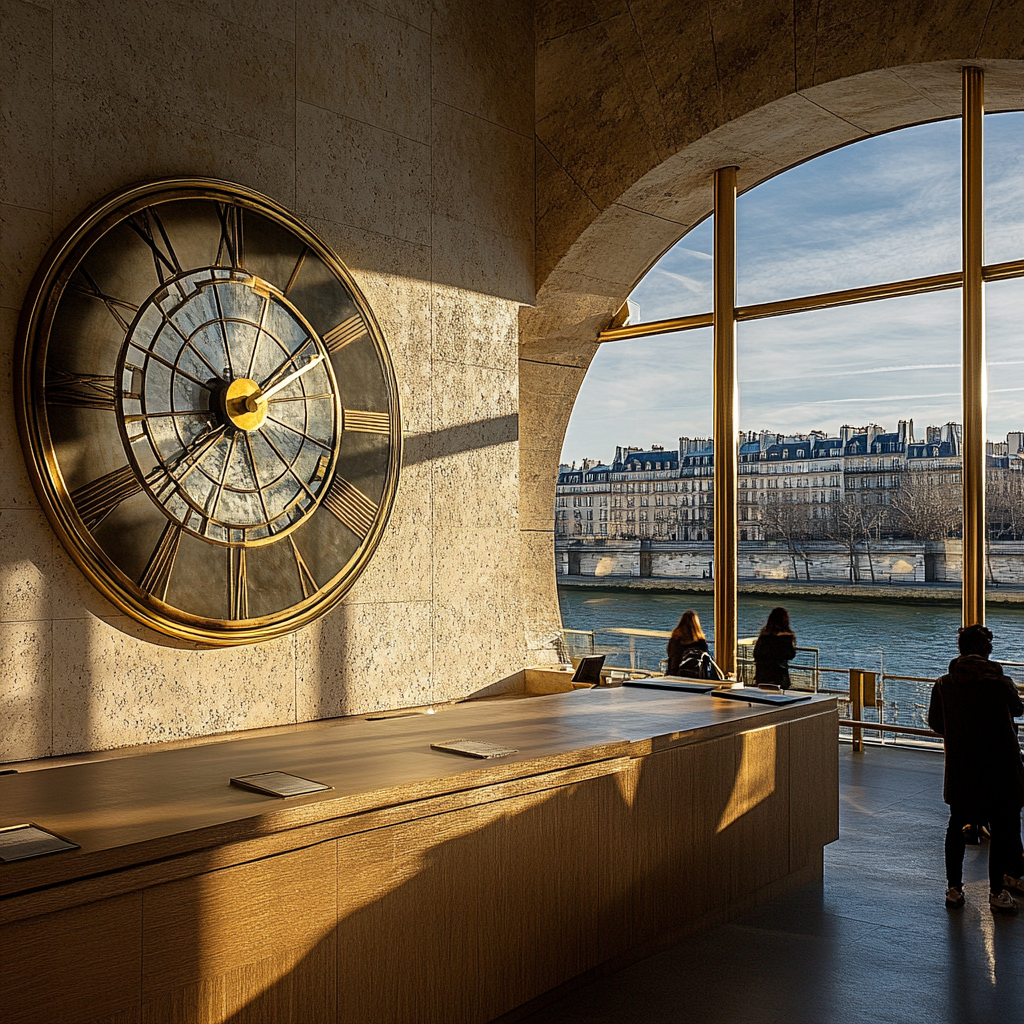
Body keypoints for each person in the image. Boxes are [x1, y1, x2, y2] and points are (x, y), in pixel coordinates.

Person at [927, 623, 1024, 912]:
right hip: (1000, 767)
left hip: (961, 767)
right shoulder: (999, 681)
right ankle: (997, 892)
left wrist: (960, 736)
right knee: (1002, 826)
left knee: (956, 824)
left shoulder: (944, 683)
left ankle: (954, 889)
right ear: (986, 650)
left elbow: (935, 723)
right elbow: (1018, 709)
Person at [753, 606, 797, 689]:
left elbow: (756, 654)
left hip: (762, 673)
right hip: (780, 674)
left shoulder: (764, 635)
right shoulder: (787, 636)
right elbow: (791, 655)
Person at [666, 610, 709, 676]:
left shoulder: (675, 640)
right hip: (695, 676)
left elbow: (670, 655)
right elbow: (706, 660)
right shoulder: (701, 642)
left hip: (673, 674)